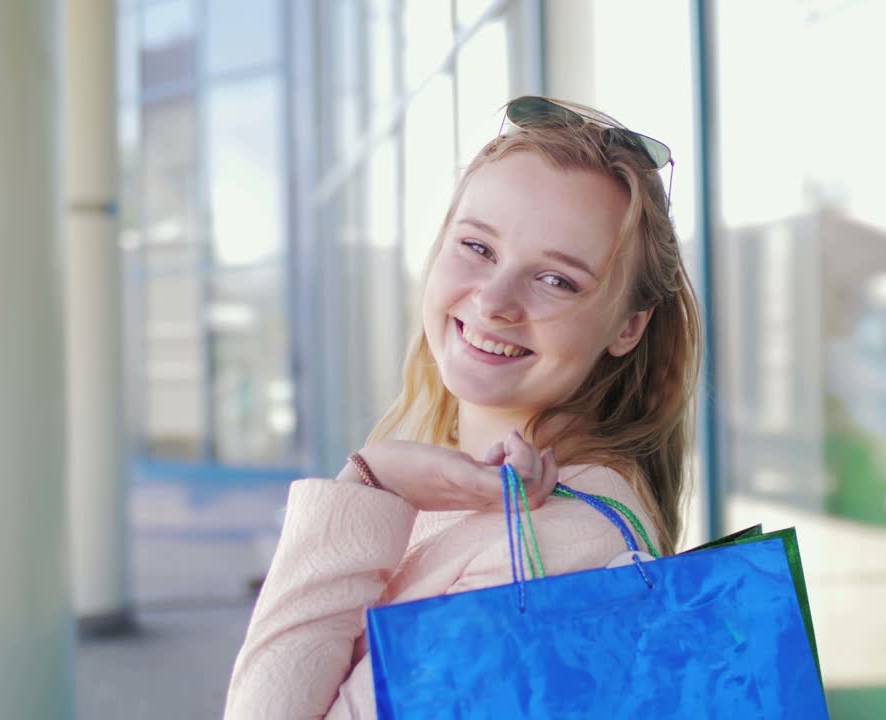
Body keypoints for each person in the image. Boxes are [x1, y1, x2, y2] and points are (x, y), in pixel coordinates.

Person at [223, 96, 701, 718]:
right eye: (478, 248)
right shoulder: (480, 491)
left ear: (629, 328)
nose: (495, 300)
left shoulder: (552, 551)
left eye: (558, 279)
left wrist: (370, 478)